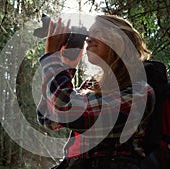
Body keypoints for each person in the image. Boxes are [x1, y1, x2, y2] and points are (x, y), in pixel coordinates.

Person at [36, 15, 155, 169]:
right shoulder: (90, 86)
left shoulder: (140, 93)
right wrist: (66, 66)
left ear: (120, 40)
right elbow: (47, 117)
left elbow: (70, 111)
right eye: (88, 34)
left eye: (97, 32)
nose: (88, 39)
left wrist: (52, 59)